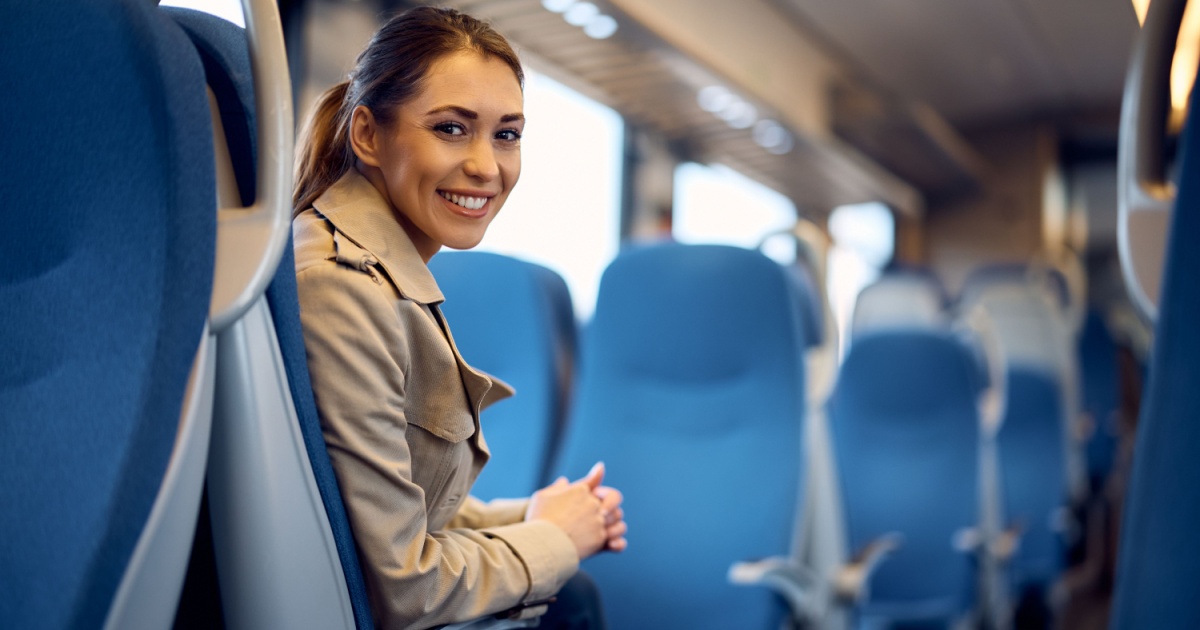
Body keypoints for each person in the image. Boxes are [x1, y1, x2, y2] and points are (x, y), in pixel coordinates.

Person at [290, 7, 626, 629]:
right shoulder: (344, 289)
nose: (486, 167)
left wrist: (537, 517)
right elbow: (406, 584)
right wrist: (555, 541)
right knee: (572, 597)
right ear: (367, 134)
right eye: (450, 128)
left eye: (507, 135)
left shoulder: (372, 272)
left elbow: (396, 505)